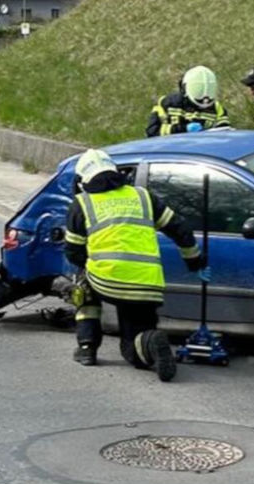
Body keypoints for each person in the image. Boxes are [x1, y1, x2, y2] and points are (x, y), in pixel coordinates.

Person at [63, 149, 208, 381]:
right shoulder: (143, 196)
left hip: (107, 280)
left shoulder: (82, 203)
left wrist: (88, 265)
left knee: (83, 288)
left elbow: (72, 251)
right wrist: (195, 262)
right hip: (147, 284)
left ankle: (87, 348)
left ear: (82, 181)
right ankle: (150, 341)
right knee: (134, 345)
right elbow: (180, 229)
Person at [146, 65, 230, 137]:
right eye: (198, 90)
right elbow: (152, 132)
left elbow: (224, 134)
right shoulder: (167, 104)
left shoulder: (217, 108)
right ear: (184, 88)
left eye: (210, 89)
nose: (205, 98)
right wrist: (184, 129)